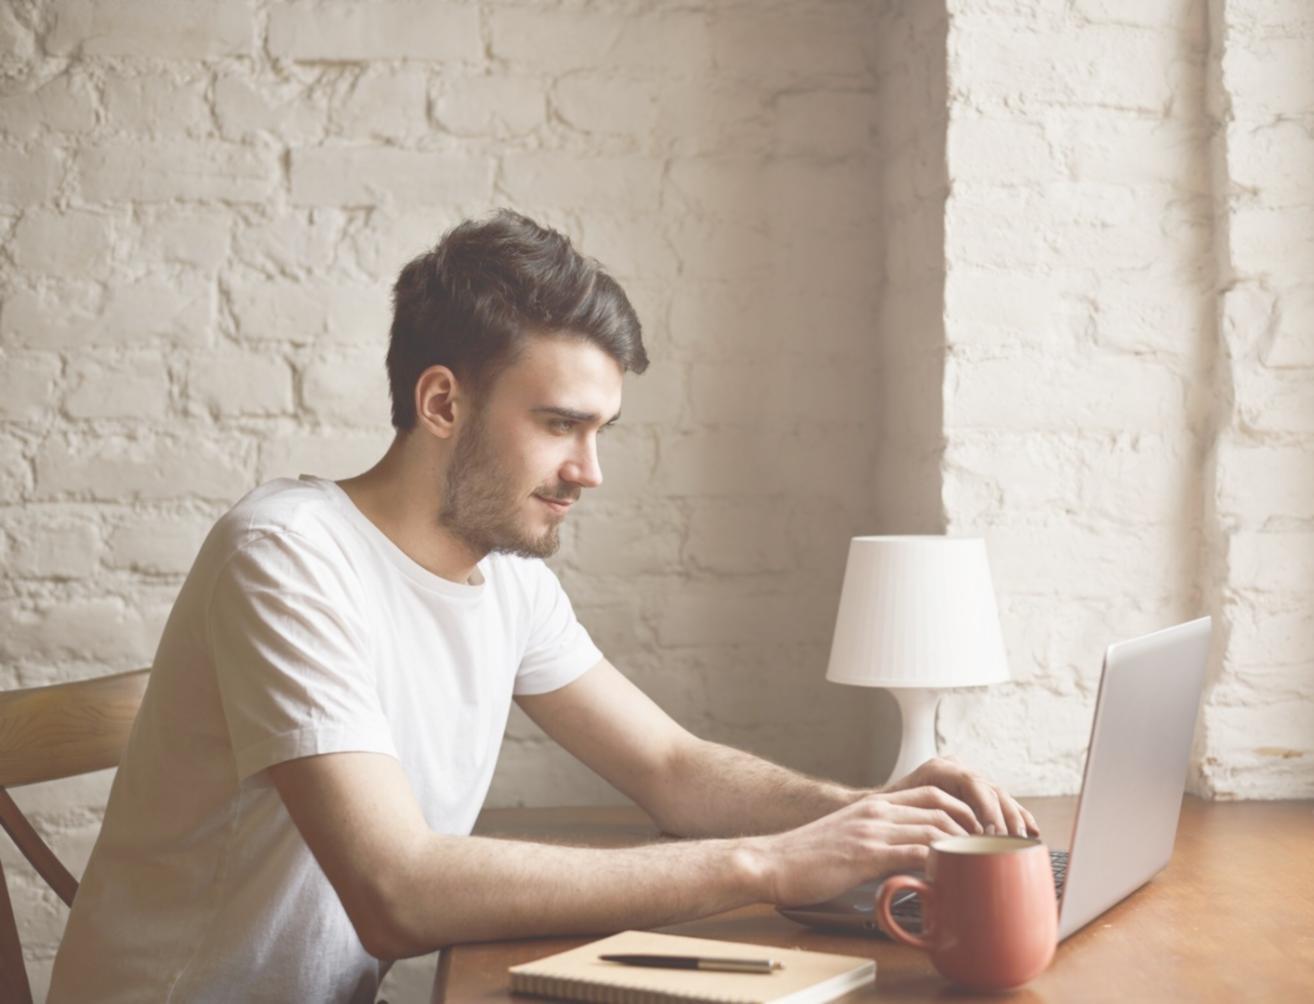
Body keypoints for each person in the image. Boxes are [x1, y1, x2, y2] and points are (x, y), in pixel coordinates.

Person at [49, 211, 1036, 1003]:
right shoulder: (286, 557)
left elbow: (671, 768)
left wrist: (875, 815)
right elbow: (397, 890)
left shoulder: (510, 580)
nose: (589, 470)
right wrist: (767, 864)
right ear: (442, 403)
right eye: (561, 424)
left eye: (601, 430)